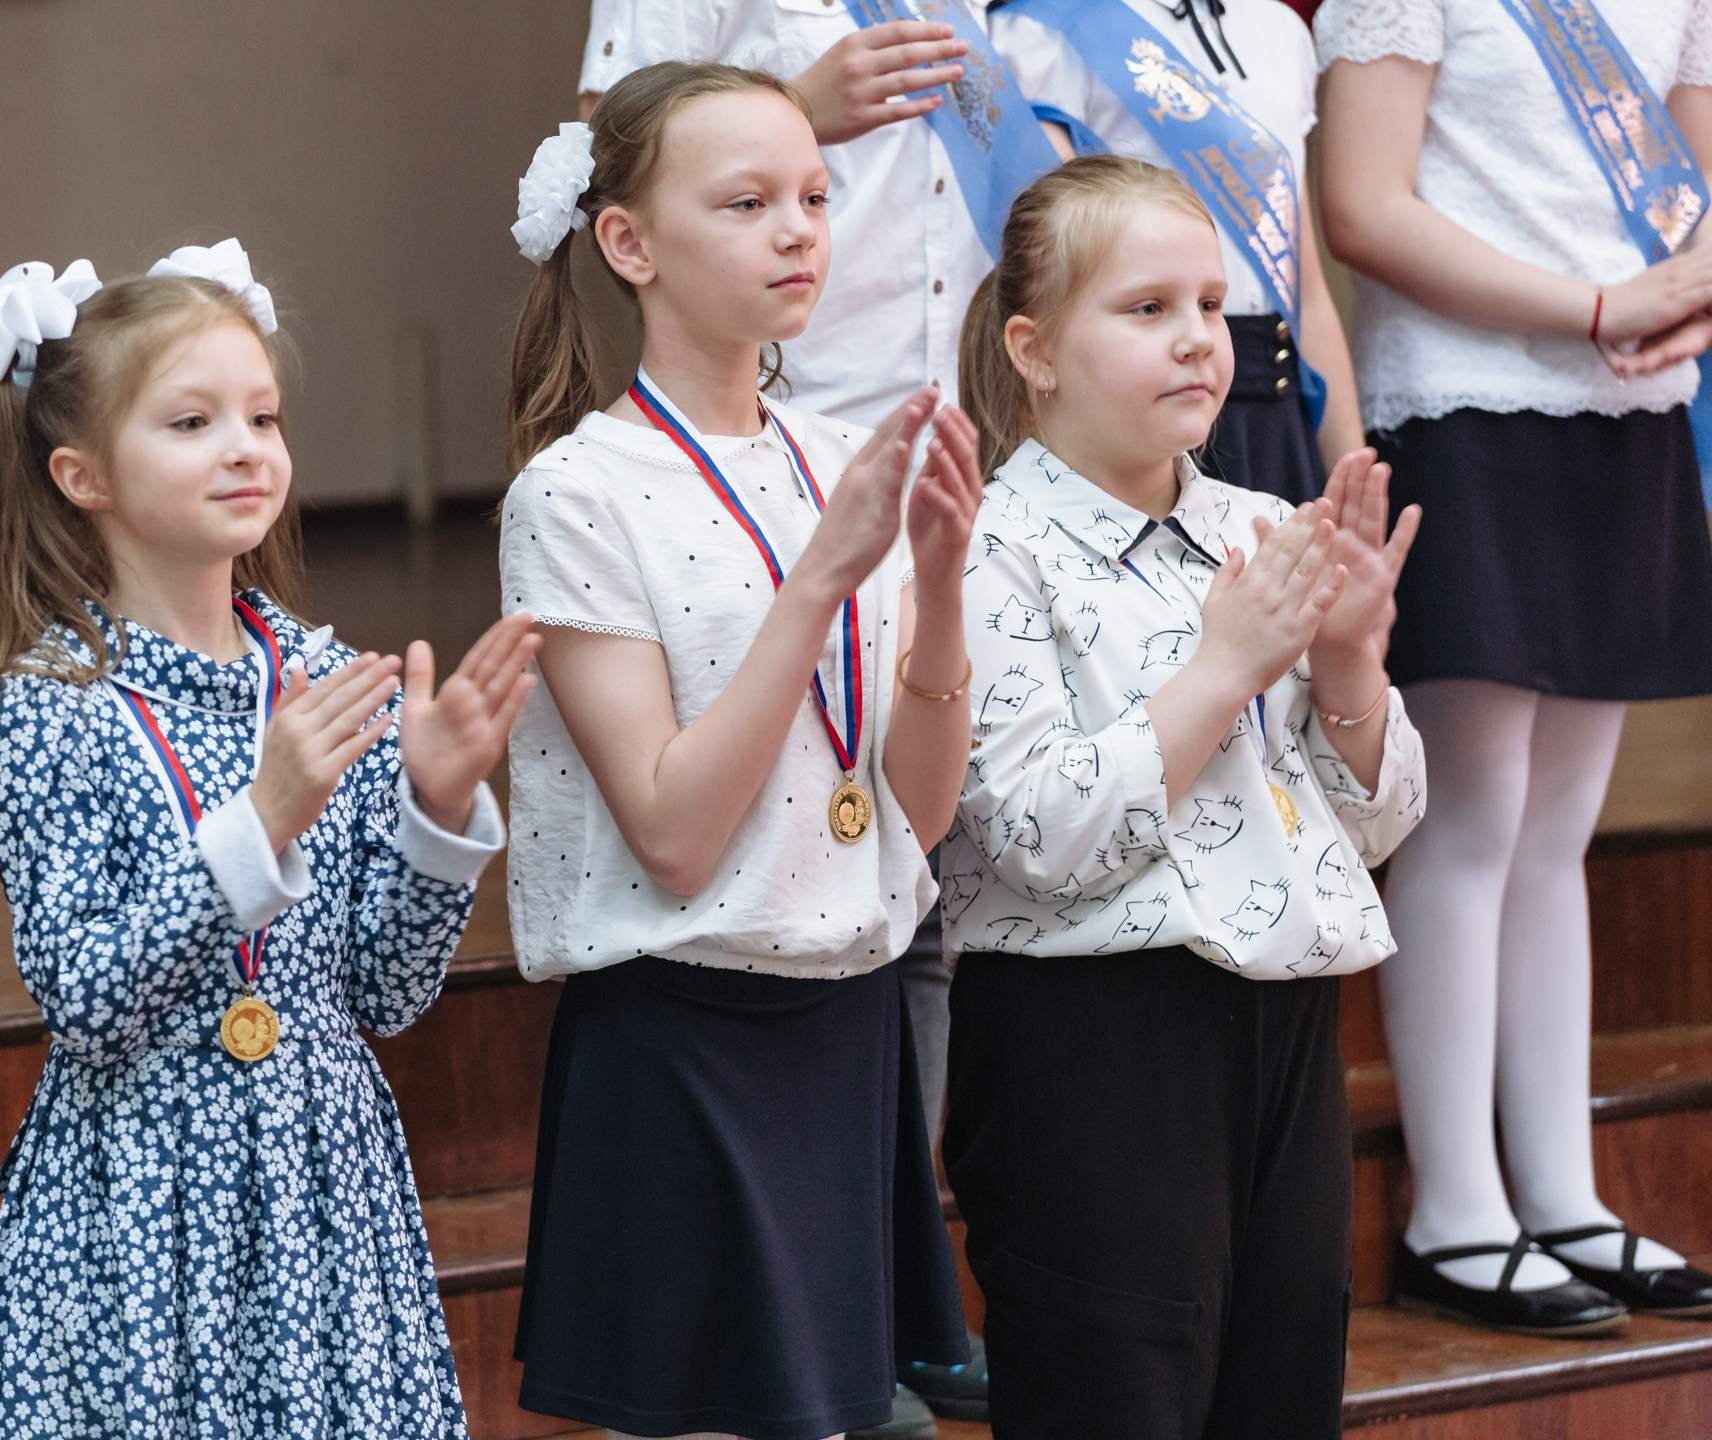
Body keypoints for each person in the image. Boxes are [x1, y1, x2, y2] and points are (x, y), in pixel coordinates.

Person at [0, 240, 538, 1435]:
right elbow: (87, 1000)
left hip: (322, 1186)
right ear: (82, 474)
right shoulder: (49, 706)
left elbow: (386, 988)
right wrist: (262, 818)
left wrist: (436, 810)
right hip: (144, 1203)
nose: (247, 447)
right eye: (193, 422)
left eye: (262, 415)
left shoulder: (315, 675)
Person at [574, 11, 1056, 1424]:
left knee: (912, 915)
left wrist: (943, 590)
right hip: (693, 1014)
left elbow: (909, 805)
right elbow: (670, 833)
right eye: (755, 203)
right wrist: (804, 107)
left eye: (815, 202)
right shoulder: (588, 494)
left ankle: (887, 1306)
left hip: (880, 440)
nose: (798, 230)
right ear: (630, 245)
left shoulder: (842, 462)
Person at [942, 155, 1426, 1438]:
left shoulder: (1259, 524)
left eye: (1211, 306)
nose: (1199, 341)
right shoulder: (990, 552)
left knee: (1281, 1389)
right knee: (1118, 1392)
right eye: (1147, 308)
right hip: (1091, 1038)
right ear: (1034, 350)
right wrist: (1220, 670)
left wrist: (1351, 669)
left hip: (1280, 1025)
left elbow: (1371, 824)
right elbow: (1035, 832)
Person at [1313, 0, 1712, 1331]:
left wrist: (1689, 296)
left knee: (1558, 835)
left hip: (1630, 411)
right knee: (1468, 827)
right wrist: (1597, 301)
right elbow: (1362, 207)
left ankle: (1564, 1193)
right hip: (1467, 401)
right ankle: (1455, 1209)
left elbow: (1699, 175)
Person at [988, 0, 1364, 502]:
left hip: (1268, 396)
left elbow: (1307, 292)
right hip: (1141, 396)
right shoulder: (1044, 24)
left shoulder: (1279, 27)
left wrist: (1351, 477)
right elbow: (1042, 273)